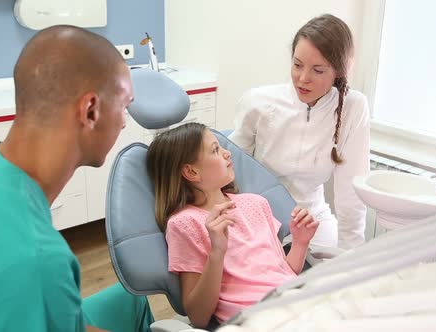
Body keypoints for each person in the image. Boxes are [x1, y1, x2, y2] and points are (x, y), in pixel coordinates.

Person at [0, 26, 153, 332]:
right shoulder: (37, 261)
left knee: (130, 299)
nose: (123, 122)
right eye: (125, 106)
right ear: (90, 110)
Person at [146, 122, 320, 327]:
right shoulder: (186, 224)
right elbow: (198, 317)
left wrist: (300, 242)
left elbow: (282, 273)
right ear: (191, 172)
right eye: (215, 150)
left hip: (297, 302)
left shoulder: (256, 203)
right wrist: (217, 252)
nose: (228, 154)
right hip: (259, 319)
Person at [228, 14, 370, 250]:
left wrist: (351, 256)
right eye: (297, 65)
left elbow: (351, 194)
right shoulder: (258, 102)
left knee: (329, 277)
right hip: (259, 217)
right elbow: (228, 174)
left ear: (338, 72)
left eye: (318, 70)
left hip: (312, 219)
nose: (303, 79)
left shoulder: (353, 108)